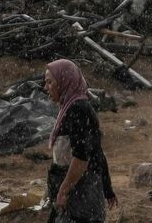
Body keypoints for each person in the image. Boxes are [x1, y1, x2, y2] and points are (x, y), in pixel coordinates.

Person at [46, 59, 117, 223]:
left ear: (64, 81)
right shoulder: (72, 106)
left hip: (81, 192)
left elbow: (81, 159)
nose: (46, 87)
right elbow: (97, 151)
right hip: (79, 189)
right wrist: (107, 189)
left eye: (50, 82)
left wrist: (63, 190)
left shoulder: (77, 109)